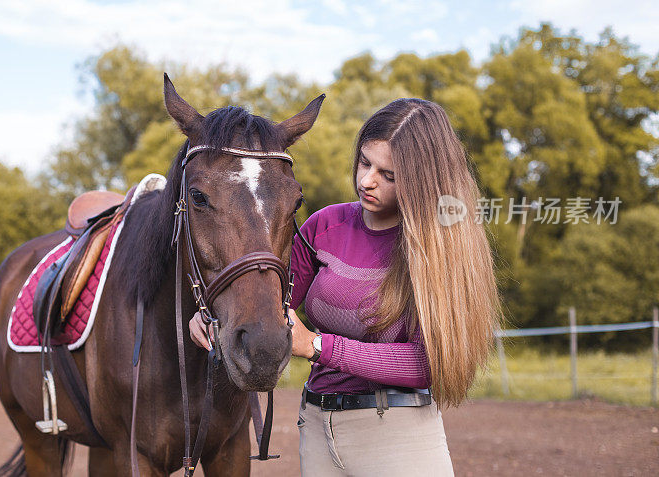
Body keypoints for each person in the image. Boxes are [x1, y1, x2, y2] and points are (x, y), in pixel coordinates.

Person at [191, 98, 501, 476]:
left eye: (389, 175)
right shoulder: (325, 226)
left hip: (399, 438)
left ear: (423, 183)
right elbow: (267, 299)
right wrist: (210, 317)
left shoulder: (441, 248)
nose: (367, 181)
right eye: (365, 162)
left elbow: (426, 364)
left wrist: (319, 346)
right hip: (319, 428)